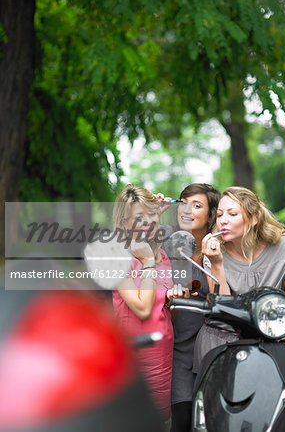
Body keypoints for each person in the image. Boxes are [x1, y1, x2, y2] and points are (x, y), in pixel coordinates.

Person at [193, 186, 285, 372]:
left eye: (232, 214)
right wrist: (217, 265)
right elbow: (224, 311)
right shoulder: (214, 254)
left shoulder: (284, 248)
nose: (223, 221)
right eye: (220, 215)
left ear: (253, 219)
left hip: (271, 341)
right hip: (222, 343)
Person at [111, 184, 178, 430]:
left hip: (162, 360)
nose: (148, 222)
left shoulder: (163, 256)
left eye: (152, 216)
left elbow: (163, 309)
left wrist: (174, 299)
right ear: (124, 222)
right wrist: (148, 262)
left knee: (161, 424)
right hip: (132, 361)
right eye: (138, 218)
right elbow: (142, 308)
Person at [159, 183, 221, 432]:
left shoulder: (221, 249)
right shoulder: (164, 248)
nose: (187, 210)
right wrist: (154, 212)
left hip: (214, 346)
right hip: (177, 351)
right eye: (183, 203)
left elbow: (223, 296)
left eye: (196, 205)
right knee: (182, 420)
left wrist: (214, 261)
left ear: (211, 215)